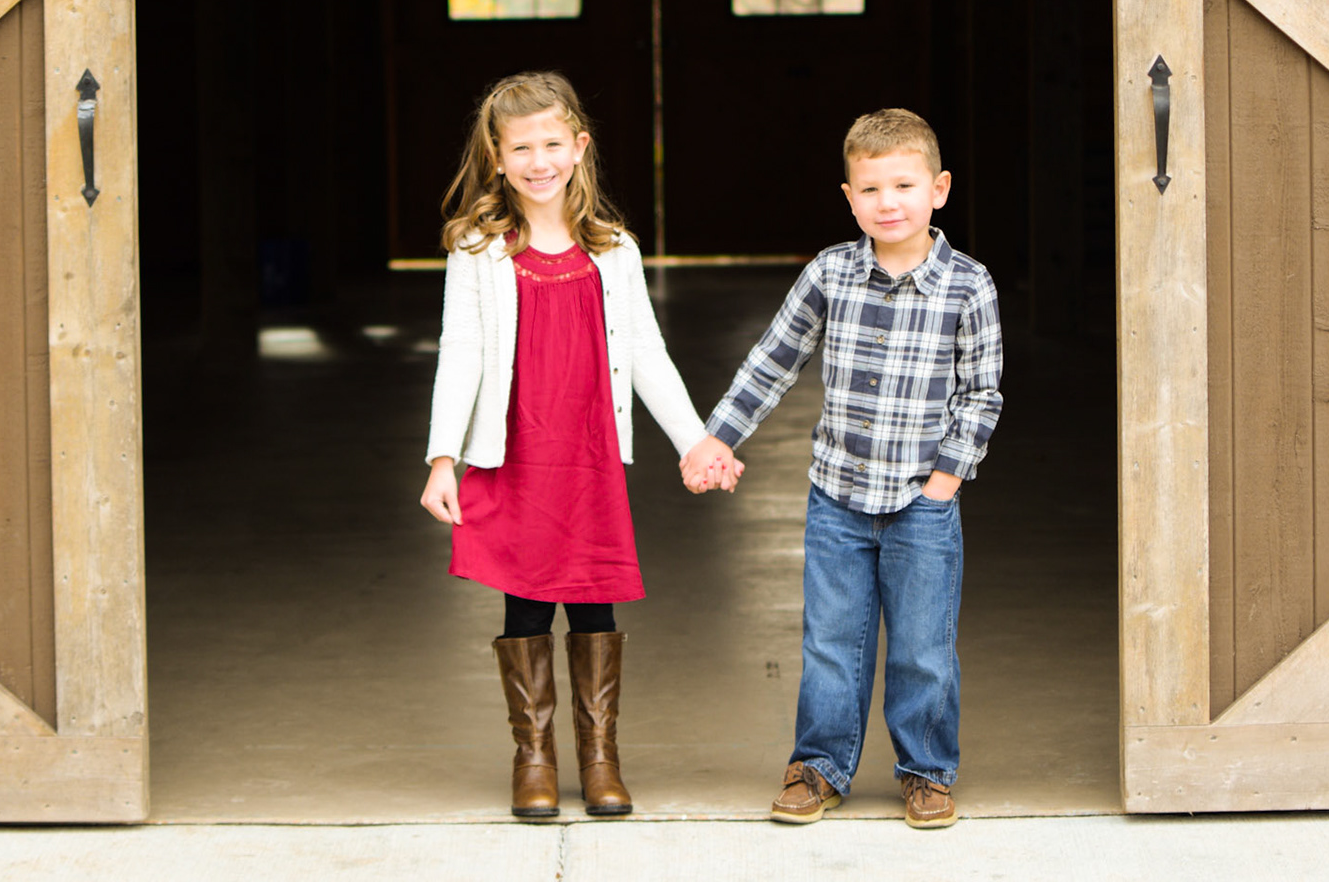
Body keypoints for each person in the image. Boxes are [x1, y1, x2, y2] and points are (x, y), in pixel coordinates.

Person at [681, 107, 1002, 831]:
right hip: (837, 497)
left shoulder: (968, 285)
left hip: (923, 500)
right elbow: (773, 361)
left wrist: (945, 481)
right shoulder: (830, 273)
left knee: (923, 648)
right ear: (849, 198)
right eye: (871, 189)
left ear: (939, 189)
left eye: (904, 186)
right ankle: (820, 766)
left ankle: (927, 771)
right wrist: (716, 438)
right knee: (831, 640)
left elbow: (981, 393)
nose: (888, 203)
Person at [418, 70, 723, 820]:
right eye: (521, 147)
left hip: (589, 456)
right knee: (526, 602)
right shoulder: (478, 249)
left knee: (592, 599)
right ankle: (534, 758)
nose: (539, 161)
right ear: (497, 156)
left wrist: (695, 440)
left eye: (553, 144)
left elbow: (646, 352)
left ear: (579, 147)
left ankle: (599, 758)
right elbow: (461, 351)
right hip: (519, 455)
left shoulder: (614, 250)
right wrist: (442, 458)